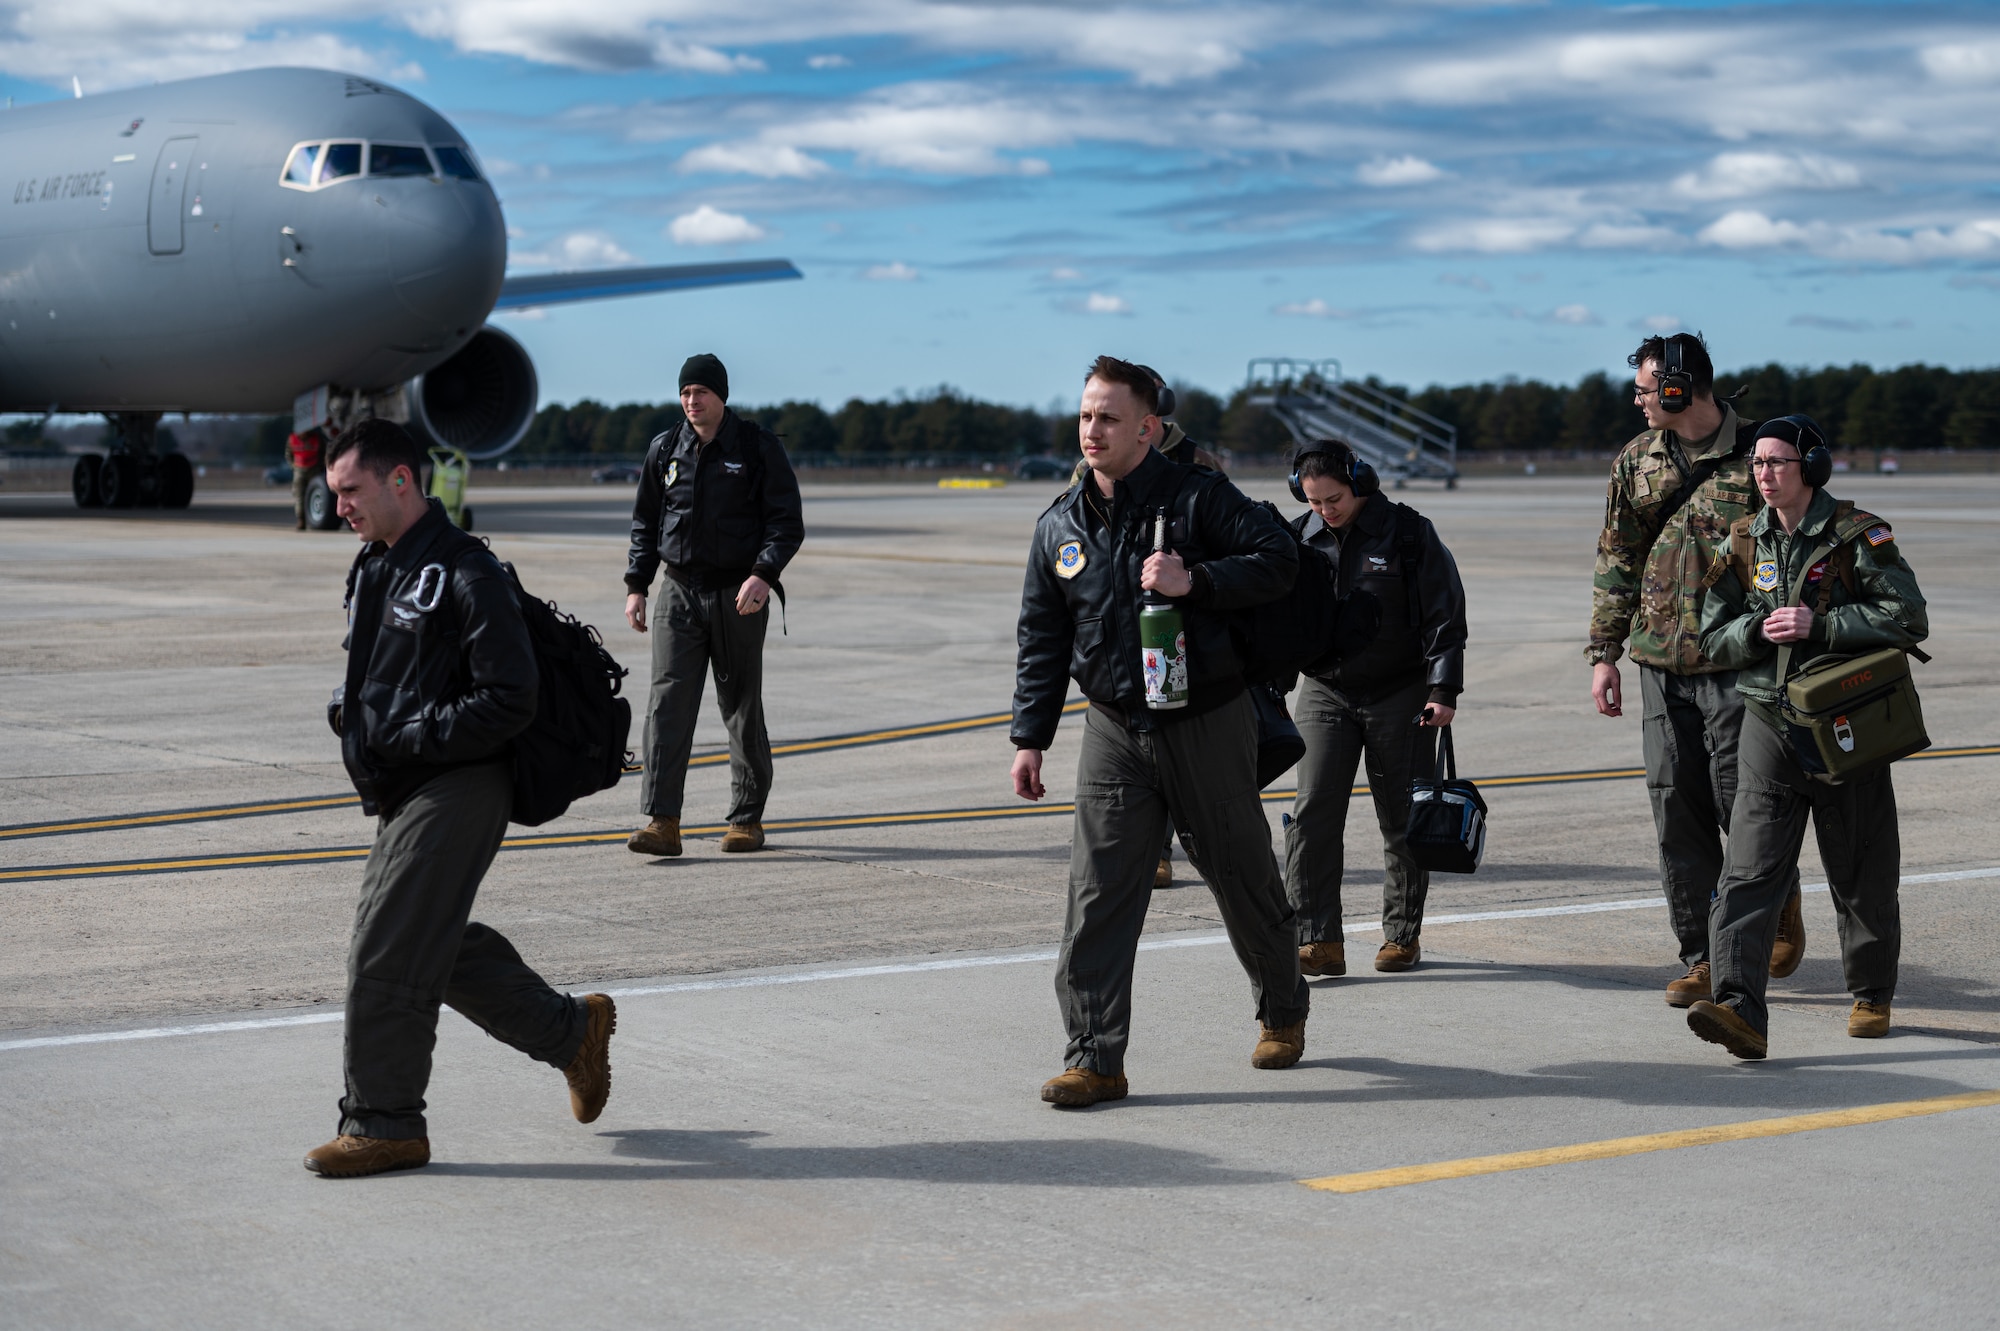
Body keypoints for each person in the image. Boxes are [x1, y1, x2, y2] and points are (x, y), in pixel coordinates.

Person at [309, 418, 613, 1179]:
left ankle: (385, 1123)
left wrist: (411, 732)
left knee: (387, 946)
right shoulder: (377, 567)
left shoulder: (466, 571)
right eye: (334, 491)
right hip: (405, 783)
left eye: (350, 489)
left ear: (400, 481)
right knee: (425, 940)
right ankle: (570, 1031)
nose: (338, 504)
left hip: (465, 777)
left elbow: (512, 695)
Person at [1011, 355, 1310, 1108]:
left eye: (1108, 418)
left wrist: (1195, 582)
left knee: (1240, 873)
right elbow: (1042, 637)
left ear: (1146, 428)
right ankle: (1094, 1055)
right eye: (1085, 416)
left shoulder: (1198, 498)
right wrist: (1030, 736)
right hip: (1112, 727)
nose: (1092, 430)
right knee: (1099, 892)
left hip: (1205, 719)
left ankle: (1282, 1007)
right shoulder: (1059, 526)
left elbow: (1280, 559)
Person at [1686, 415, 1927, 1059]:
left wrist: (1821, 625)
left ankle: (1872, 992)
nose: (1764, 474)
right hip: (1768, 719)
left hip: (1844, 722)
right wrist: (1755, 633)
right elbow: (1710, 635)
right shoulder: (1742, 541)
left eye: (1777, 462)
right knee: (1748, 869)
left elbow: (1907, 615)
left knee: (1860, 866)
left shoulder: (1856, 535)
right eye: (1757, 464)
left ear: (1811, 467)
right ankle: (1739, 1007)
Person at [1587, 332, 1803, 1008]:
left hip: (1741, 664)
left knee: (1746, 806)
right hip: (1659, 661)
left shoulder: (1764, 456)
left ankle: (1772, 906)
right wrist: (1604, 653)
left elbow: (1807, 547)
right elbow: (1616, 558)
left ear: (1680, 389)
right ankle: (1704, 957)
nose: (1639, 399)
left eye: (1648, 389)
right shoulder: (1636, 461)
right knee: (1675, 808)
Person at [1284, 439, 1467, 977]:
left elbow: (1445, 614)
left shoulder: (1408, 532)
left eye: (1334, 498)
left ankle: (1401, 934)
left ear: (1361, 481)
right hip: (1325, 691)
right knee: (1313, 811)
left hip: (1400, 692)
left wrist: (1443, 691)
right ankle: (1318, 938)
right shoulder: (1300, 537)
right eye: (1313, 501)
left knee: (1401, 816)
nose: (1325, 510)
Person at [623, 353, 805, 857]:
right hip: (678, 591)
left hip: (737, 594)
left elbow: (786, 522)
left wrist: (763, 575)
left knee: (740, 705)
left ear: (721, 396)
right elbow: (645, 522)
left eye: (701, 392)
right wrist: (637, 585)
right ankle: (663, 822)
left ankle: (746, 820)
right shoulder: (666, 450)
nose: (692, 401)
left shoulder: (755, 447)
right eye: (685, 393)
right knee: (666, 706)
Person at [1070, 365, 1224, 891]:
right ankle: (1156, 852)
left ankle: (1209, 848)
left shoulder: (1198, 465)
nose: (1097, 427)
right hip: (1122, 627)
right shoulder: (1094, 463)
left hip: (1182, 624)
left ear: (1151, 417)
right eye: (1090, 415)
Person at [289, 429, 323, 530]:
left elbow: (322, 453)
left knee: (316, 494)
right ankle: (301, 520)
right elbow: (289, 455)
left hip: (314, 471)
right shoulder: (292, 439)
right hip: (299, 471)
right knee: (299, 497)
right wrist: (294, 467)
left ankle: (314, 519)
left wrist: (320, 467)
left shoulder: (316, 439)